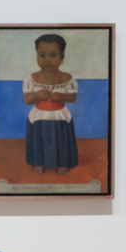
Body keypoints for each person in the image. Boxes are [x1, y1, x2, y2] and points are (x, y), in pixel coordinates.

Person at [23, 34, 79, 175]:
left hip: (59, 115)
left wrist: (61, 96)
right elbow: (27, 100)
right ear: (37, 55)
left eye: (53, 55)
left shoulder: (67, 78)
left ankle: (62, 163)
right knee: (38, 141)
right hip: (39, 116)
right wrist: (36, 95)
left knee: (61, 142)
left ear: (62, 56)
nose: (47, 60)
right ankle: (39, 163)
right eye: (42, 55)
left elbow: (72, 98)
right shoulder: (31, 79)